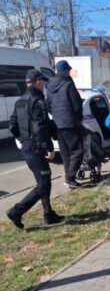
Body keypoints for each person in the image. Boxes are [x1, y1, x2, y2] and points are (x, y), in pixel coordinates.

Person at [7, 69, 64, 229]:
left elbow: (13, 126)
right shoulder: (38, 100)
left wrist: (23, 139)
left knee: (42, 181)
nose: (44, 84)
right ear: (37, 82)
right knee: (44, 184)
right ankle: (16, 211)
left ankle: (48, 214)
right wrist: (49, 148)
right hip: (37, 146)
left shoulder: (20, 101)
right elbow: (41, 127)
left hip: (27, 146)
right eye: (43, 81)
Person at [46, 60, 83, 189]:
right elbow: (77, 104)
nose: (69, 72)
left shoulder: (49, 86)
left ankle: (70, 179)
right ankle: (69, 177)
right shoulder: (68, 84)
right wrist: (79, 118)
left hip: (58, 124)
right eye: (68, 70)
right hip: (70, 122)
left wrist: (56, 116)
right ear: (65, 71)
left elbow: (48, 106)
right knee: (78, 151)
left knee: (65, 153)